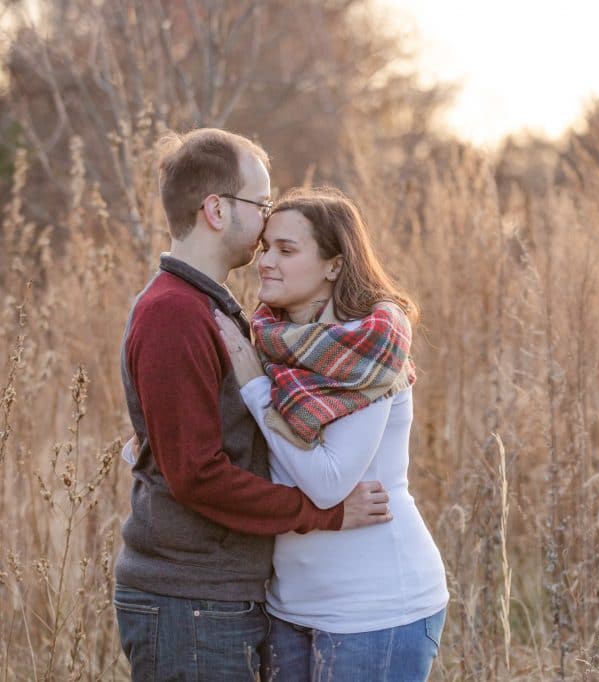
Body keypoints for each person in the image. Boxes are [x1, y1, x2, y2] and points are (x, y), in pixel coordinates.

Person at [115, 129, 392, 681]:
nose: (268, 220)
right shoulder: (176, 312)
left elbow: (190, 443)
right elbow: (197, 476)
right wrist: (326, 514)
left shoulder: (207, 307)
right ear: (216, 209)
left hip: (210, 596)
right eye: (261, 204)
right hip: (190, 601)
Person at [212, 187, 448, 681]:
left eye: (287, 250)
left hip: (377, 610)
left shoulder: (369, 350)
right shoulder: (270, 344)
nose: (267, 262)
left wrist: (255, 387)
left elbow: (327, 483)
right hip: (289, 606)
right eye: (266, 248)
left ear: (334, 265)